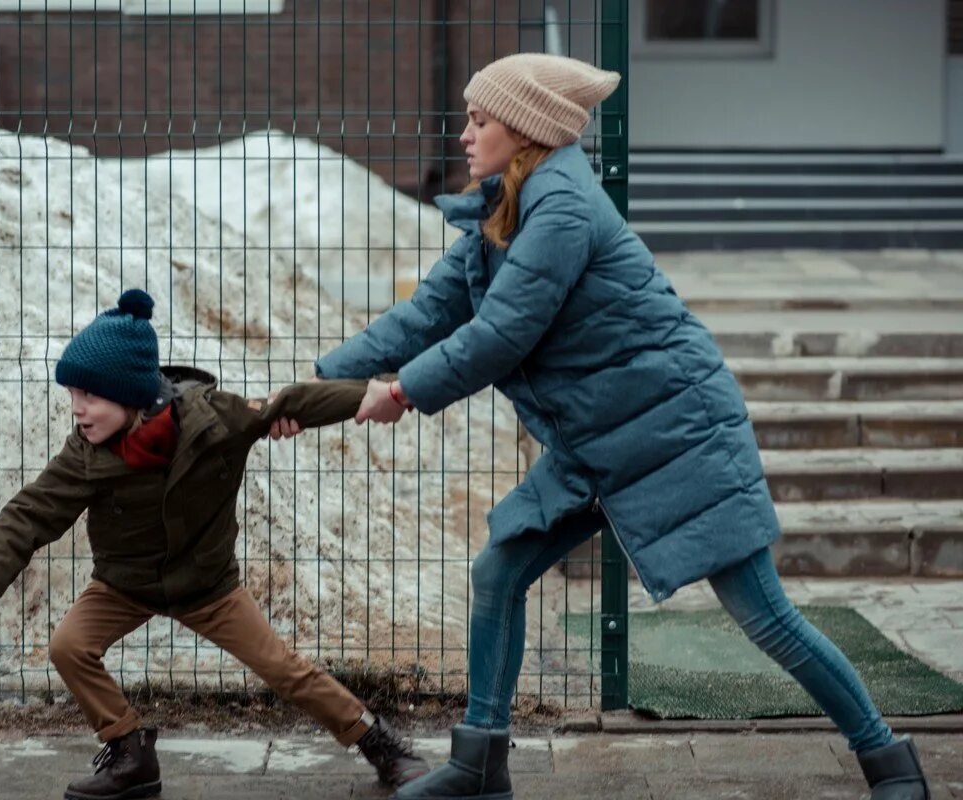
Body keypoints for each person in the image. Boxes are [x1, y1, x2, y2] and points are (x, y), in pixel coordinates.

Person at [273, 54, 930, 800]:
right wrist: (322, 385)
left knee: (764, 615)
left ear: (522, 131)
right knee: (501, 569)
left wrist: (398, 393)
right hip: (596, 440)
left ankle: (889, 764)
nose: (463, 135)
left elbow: (500, 335)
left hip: (674, 430)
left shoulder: (561, 208)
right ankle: (478, 767)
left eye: (479, 120)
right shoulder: (511, 206)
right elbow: (428, 314)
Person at [0, 289, 428, 800]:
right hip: (125, 585)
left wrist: (371, 397)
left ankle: (382, 745)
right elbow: (30, 512)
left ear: (130, 393)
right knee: (70, 646)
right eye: (72, 396)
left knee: (282, 668)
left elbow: (288, 403)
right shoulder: (84, 454)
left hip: (207, 586)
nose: (77, 410)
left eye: (88, 396)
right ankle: (130, 753)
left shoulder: (211, 420)